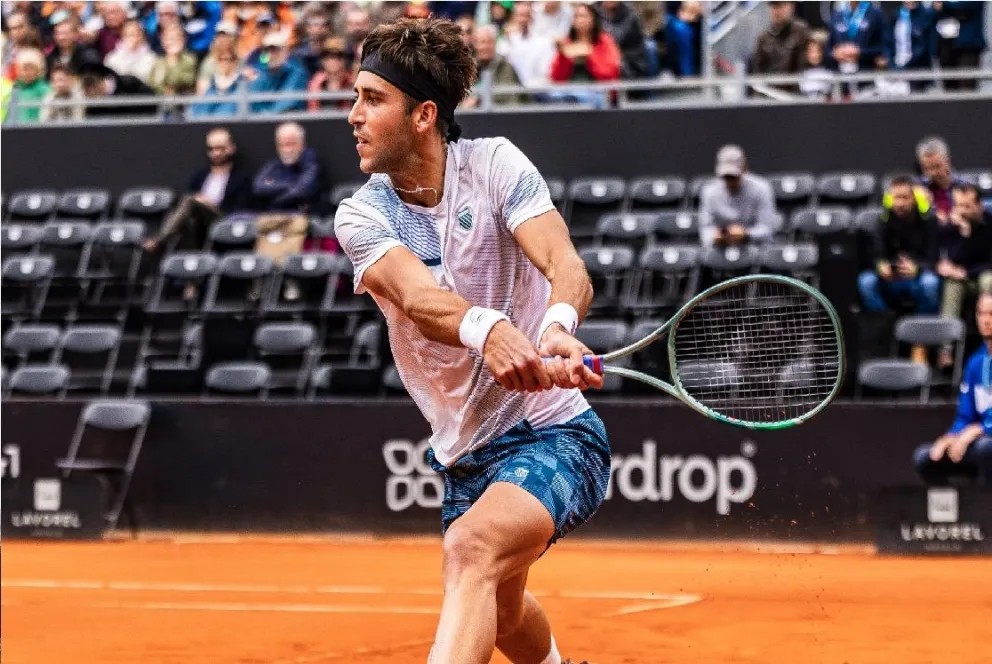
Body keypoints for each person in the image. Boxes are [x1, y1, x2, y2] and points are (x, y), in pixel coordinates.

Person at [336, 17, 607, 664]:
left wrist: (557, 329)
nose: (353, 115)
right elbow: (419, 300)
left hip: (557, 433)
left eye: (372, 100)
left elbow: (565, 265)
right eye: (355, 97)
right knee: (505, 614)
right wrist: (490, 329)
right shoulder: (362, 215)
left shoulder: (494, 165)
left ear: (424, 115)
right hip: (464, 457)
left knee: (471, 551)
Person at [913, 293, 992, 487]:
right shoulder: (975, 362)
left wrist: (979, 430)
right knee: (926, 457)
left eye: (991, 314)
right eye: (981, 313)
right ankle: (955, 514)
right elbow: (965, 416)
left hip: (986, 443)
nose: (986, 320)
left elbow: (976, 428)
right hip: (978, 441)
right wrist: (951, 437)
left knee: (986, 449)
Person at [143, 127, 251, 258]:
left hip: (224, 219)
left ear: (231, 148)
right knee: (185, 218)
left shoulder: (241, 177)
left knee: (190, 201)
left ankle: (159, 240)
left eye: (220, 148)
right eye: (211, 149)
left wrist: (209, 205)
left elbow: (241, 208)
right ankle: (188, 272)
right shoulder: (200, 176)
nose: (216, 153)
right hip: (198, 221)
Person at [252, 121, 322, 299]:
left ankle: (290, 278)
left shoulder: (311, 161)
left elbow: (303, 190)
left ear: (302, 144)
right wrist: (289, 187)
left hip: (300, 218)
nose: (287, 149)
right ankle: (262, 278)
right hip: (273, 218)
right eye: (283, 144)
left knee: (291, 225)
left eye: (292, 144)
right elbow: (258, 187)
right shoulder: (275, 164)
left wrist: (275, 192)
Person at [857, 175, 940, 320]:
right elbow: (874, 255)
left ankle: (920, 334)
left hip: (917, 277)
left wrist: (917, 268)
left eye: (905, 197)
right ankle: (885, 327)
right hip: (890, 279)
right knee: (866, 281)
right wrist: (881, 266)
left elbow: (934, 258)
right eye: (895, 198)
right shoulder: (882, 222)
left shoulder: (929, 223)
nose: (900, 203)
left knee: (930, 283)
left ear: (915, 199)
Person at [936, 183, 992, 367]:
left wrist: (967, 272)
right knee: (952, 284)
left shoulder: (989, 224)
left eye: (967, 206)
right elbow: (953, 260)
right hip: (963, 282)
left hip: (983, 278)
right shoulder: (950, 228)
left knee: (988, 279)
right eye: (958, 205)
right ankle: (946, 349)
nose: (962, 211)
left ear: (979, 206)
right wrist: (964, 234)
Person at [698, 145, 781, 248]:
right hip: (720, 249)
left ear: (744, 169)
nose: (730, 181)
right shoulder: (709, 192)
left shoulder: (761, 189)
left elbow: (767, 229)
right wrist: (715, 237)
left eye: (733, 176)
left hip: (754, 247)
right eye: (726, 177)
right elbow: (705, 230)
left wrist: (746, 234)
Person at [549, 2, 622, 97]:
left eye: (583, 16)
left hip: (597, 92)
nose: (580, 20)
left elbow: (610, 74)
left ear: (593, 19)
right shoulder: (567, 42)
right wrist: (563, 55)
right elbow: (556, 78)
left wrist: (589, 54)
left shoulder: (605, 41)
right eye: (576, 16)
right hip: (568, 92)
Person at [246, 32, 309, 115]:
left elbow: (286, 102)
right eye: (267, 50)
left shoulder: (297, 72)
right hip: (263, 121)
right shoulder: (261, 72)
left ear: (285, 52)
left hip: (288, 119)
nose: (272, 54)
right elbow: (252, 102)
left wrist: (263, 116)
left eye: (276, 50)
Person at [465, 24, 526, 108]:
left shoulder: (506, 67)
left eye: (489, 42)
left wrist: (481, 101)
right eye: (482, 42)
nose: (485, 47)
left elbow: (512, 101)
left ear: (495, 44)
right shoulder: (468, 68)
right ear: (475, 45)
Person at [933, 1, 987, 91]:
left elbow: (968, 6)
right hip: (946, 45)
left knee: (966, 86)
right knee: (949, 87)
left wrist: (945, 5)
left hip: (967, 46)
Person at [752, 2, 811, 80]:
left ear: (791, 7)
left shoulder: (801, 32)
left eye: (780, 6)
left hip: (795, 86)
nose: (776, 11)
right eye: (773, 7)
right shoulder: (763, 38)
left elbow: (806, 65)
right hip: (769, 88)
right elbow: (758, 71)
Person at [885, 1, 936, 90]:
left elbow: (923, 45)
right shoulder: (896, 15)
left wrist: (906, 66)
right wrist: (891, 62)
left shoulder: (926, 14)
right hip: (896, 64)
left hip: (917, 67)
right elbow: (888, 40)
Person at [916, 136, 967, 222]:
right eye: (927, 168)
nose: (932, 173)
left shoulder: (965, 186)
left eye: (937, 166)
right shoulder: (917, 187)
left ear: (948, 161)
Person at [189, 42, 243, 118]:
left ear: (235, 61)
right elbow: (199, 110)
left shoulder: (241, 83)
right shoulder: (212, 86)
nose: (224, 63)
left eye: (228, 59)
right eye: (221, 59)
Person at [597, 1, 650, 79]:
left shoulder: (630, 15)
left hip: (626, 61)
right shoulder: (593, 12)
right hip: (597, 58)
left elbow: (636, 49)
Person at [103, 19, 158, 85]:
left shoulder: (152, 58)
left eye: (136, 34)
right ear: (122, 36)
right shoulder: (111, 58)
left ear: (142, 36)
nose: (133, 38)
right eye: (128, 35)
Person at [306, 37, 354, 112]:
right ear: (322, 60)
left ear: (345, 60)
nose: (333, 60)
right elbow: (312, 110)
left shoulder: (352, 81)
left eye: (338, 56)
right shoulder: (315, 82)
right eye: (328, 56)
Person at [11, 48, 49, 124]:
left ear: (38, 70)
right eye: (24, 69)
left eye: (31, 68)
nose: (28, 72)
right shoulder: (14, 88)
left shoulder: (45, 89)